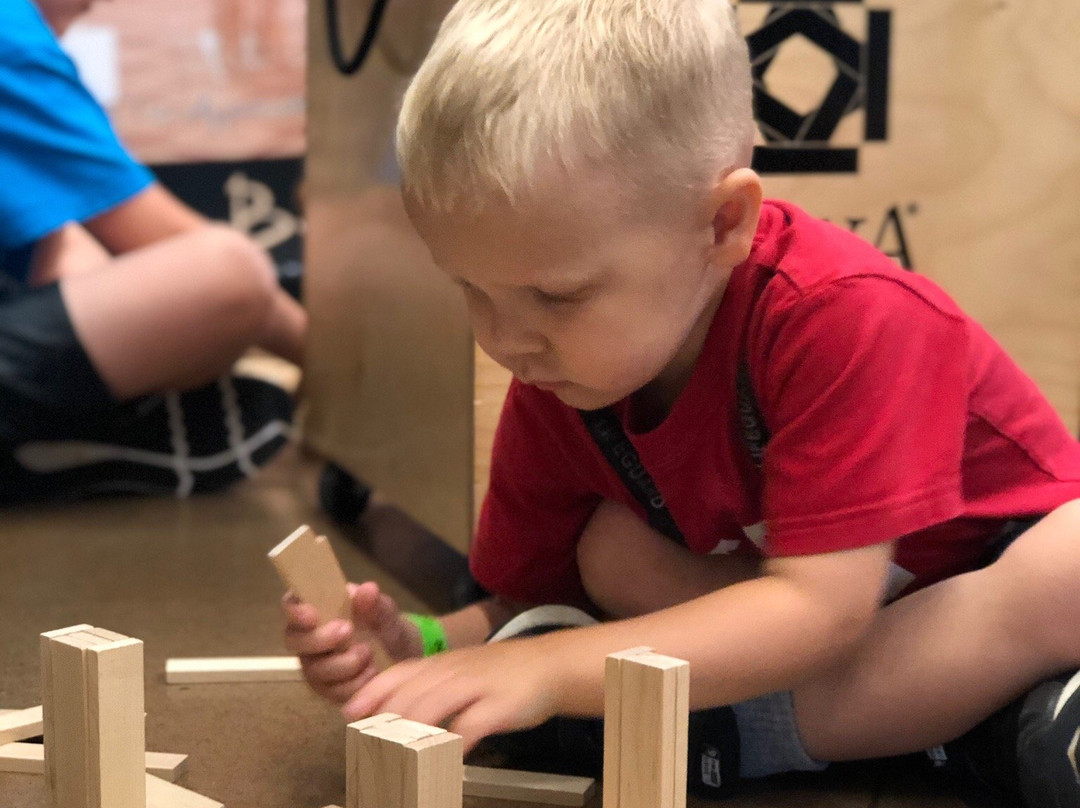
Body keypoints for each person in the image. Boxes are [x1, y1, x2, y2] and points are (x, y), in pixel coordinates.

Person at [282, 1, 1080, 803]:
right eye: (469, 290)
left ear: (723, 223)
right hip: (842, 635)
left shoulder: (848, 315)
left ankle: (757, 735)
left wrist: (551, 670)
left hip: (967, 580)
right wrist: (418, 648)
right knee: (609, 554)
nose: (507, 340)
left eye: (554, 296)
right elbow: (530, 604)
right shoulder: (559, 377)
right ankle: (976, 732)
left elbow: (822, 610)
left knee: (1066, 568)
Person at [0, 0, 306, 503]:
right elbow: (172, 242)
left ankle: (91, 429)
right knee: (230, 271)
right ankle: (87, 432)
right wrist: (342, 383)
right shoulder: (13, 35)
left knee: (66, 239)